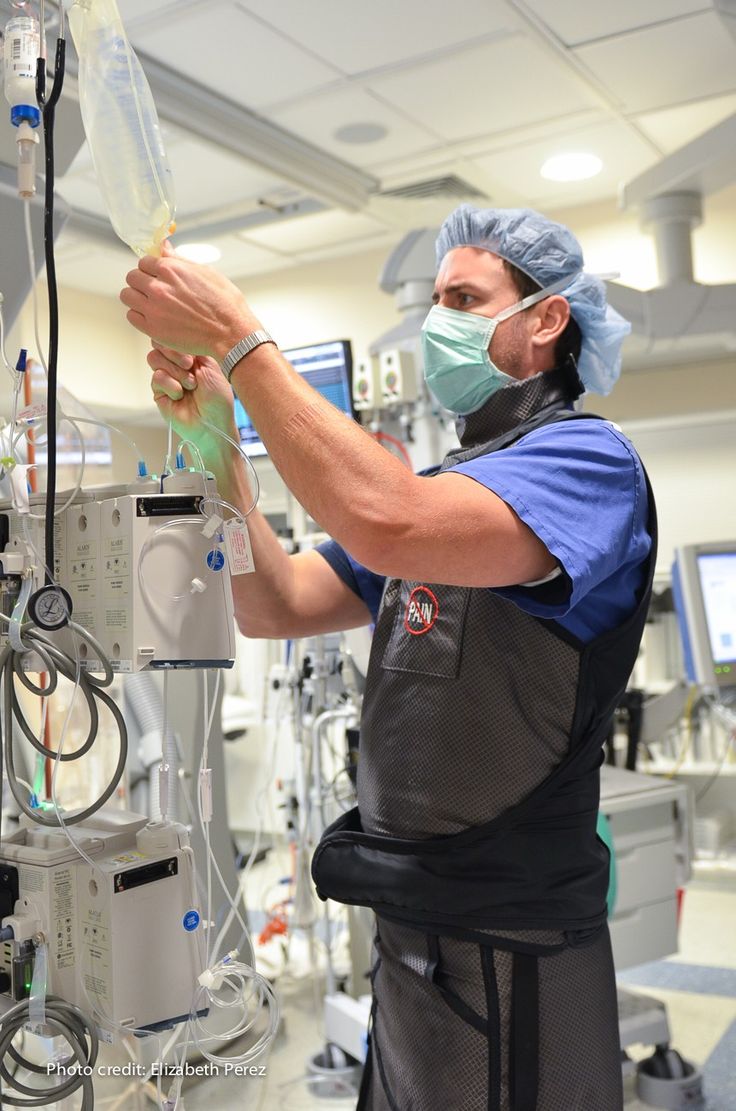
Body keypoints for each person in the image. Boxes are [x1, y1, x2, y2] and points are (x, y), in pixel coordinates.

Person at [121, 205, 655, 1111]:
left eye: (463, 297)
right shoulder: (444, 491)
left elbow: (387, 518)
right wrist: (219, 448)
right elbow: (274, 602)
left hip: (513, 941)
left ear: (546, 319)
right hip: (412, 930)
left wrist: (244, 344)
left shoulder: (587, 461)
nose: (437, 319)